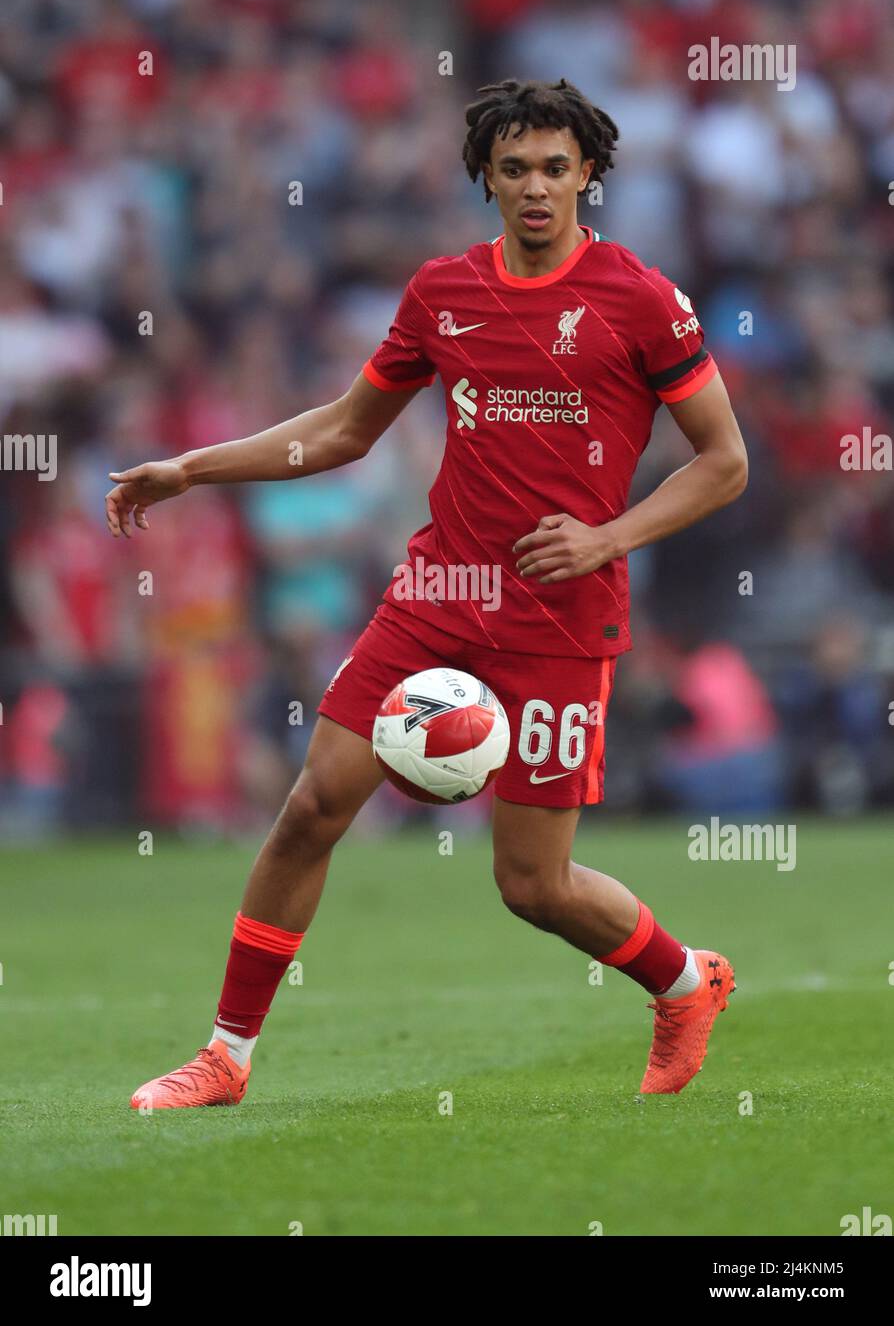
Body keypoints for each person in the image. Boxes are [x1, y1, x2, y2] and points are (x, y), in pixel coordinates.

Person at [106, 79, 747, 1109]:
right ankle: (226, 1054)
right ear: (484, 178)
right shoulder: (443, 291)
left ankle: (683, 981)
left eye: (554, 167)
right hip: (438, 594)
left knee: (530, 886)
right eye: (514, 169)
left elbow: (724, 461)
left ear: (588, 173)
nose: (535, 187)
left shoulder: (640, 298)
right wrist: (194, 467)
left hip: (560, 611)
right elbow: (348, 429)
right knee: (313, 803)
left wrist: (607, 538)